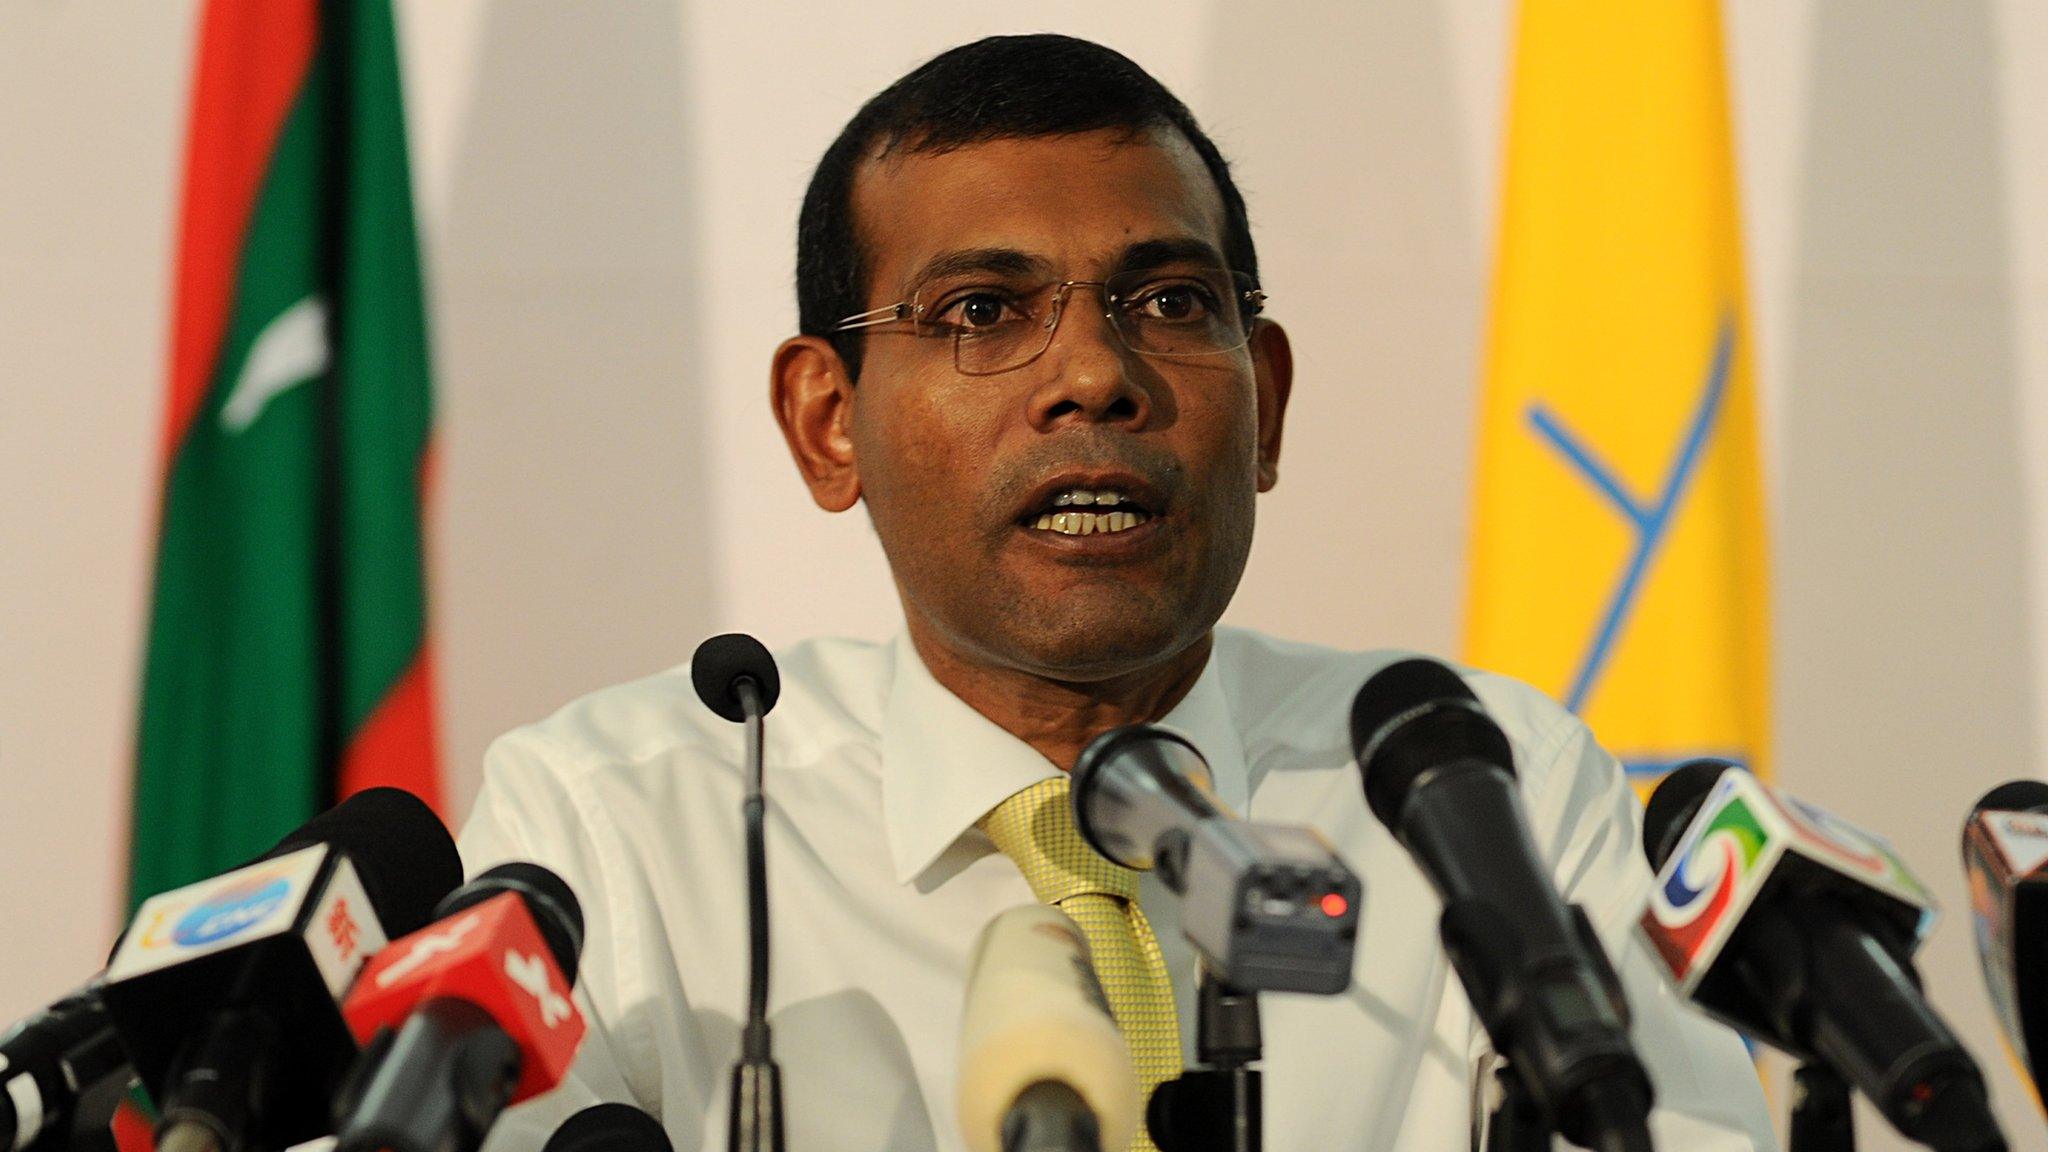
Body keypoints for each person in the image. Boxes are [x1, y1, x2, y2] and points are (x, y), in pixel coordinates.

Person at [460, 34, 1774, 1152]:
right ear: (827, 424)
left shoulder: (1489, 798)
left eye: (1169, 301)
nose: (1094, 374)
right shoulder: (619, 833)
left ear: (1266, 404)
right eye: (981, 311)